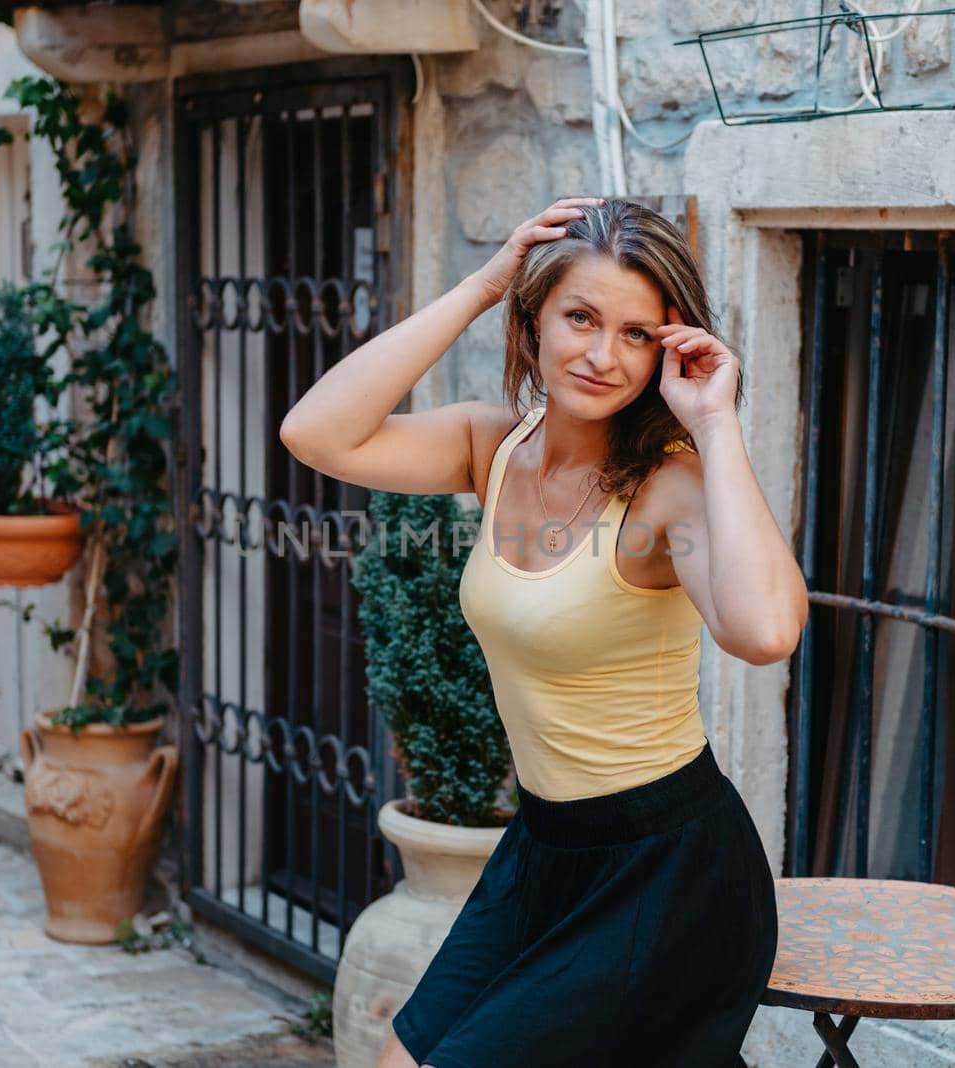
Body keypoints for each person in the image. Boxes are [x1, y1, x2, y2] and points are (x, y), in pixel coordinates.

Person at [279, 197, 808, 1068]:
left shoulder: (665, 489)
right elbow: (315, 432)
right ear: (537, 317)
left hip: (670, 872)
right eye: (581, 317)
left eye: (638, 334)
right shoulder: (494, 447)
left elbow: (764, 632)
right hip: (545, 848)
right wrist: (486, 283)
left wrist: (715, 426)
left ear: (668, 349)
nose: (603, 356)